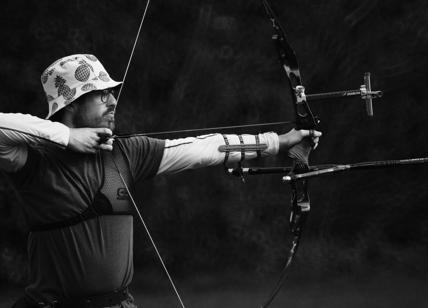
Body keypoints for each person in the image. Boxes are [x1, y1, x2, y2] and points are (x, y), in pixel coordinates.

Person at [0, 54, 321, 308]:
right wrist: (67, 136)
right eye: (101, 95)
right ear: (71, 105)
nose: (113, 101)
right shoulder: (33, 161)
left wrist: (279, 142)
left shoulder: (125, 152)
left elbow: (206, 148)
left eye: (112, 93)